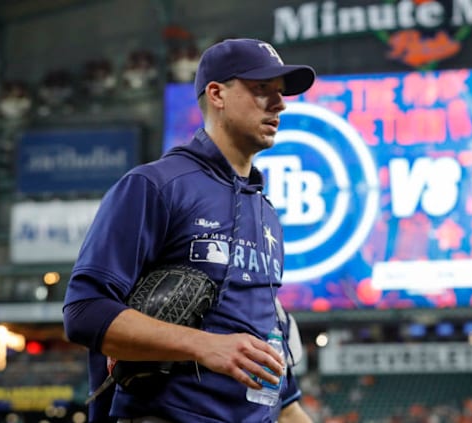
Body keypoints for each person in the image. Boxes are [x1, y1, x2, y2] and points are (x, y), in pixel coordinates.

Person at [63, 38, 316, 423]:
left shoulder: (266, 216)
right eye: (262, 89)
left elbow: (283, 398)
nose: (279, 104)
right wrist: (202, 345)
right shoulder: (156, 186)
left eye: (280, 93)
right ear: (217, 94)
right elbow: (84, 312)